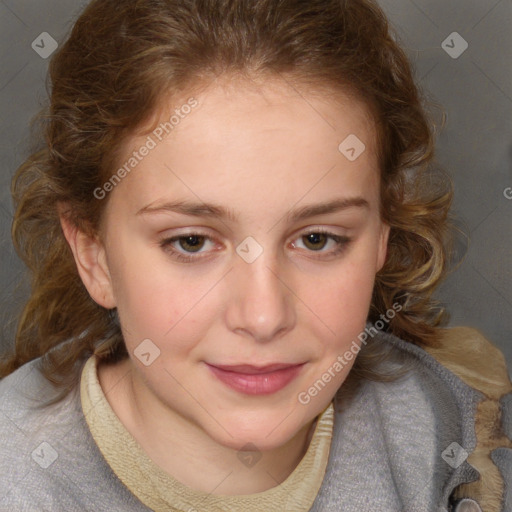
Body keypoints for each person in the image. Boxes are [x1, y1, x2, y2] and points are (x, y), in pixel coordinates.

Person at [0, 0, 510, 510]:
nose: (264, 317)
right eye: (192, 242)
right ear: (94, 255)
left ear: (382, 234)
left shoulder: (454, 438)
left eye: (317, 239)